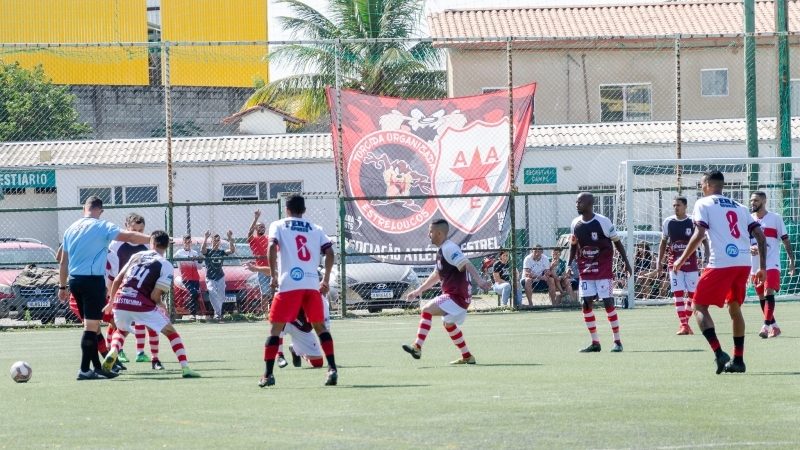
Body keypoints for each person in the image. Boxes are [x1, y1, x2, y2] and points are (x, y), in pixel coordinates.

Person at [673, 170, 766, 374]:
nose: (700, 187)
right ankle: (739, 360)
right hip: (743, 263)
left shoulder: (703, 203)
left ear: (707, 184)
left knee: (698, 307)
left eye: (701, 183)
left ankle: (719, 353)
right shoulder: (740, 207)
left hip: (721, 262)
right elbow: (760, 234)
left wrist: (681, 258)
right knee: (734, 309)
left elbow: (699, 233)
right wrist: (763, 268)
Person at [57, 196, 151, 380]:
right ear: (100, 210)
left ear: (85, 208)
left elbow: (62, 261)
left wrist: (62, 286)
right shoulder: (102, 226)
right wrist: (154, 238)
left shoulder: (71, 228)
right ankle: (85, 370)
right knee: (91, 328)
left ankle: (98, 368)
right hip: (92, 281)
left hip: (74, 281)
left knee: (92, 327)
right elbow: (131, 236)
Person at [259, 194, 338, 388]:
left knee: (275, 330)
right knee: (320, 328)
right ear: (304, 210)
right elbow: (330, 252)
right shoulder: (315, 228)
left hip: (289, 284)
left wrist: (273, 276)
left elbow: (271, 246)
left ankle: (268, 375)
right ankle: (333, 369)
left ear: (287, 209)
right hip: (311, 284)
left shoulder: (278, 225)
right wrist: (325, 279)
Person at [101, 230, 200, 379]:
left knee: (121, 331)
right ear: (166, 246)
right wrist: (161, 305)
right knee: (171, 332)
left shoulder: (136, 256)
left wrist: (111, 303)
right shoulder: (165, 265)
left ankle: (114, 350)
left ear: (151, 243)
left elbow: (117, 280)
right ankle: (185, 368)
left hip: (120, 300)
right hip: (140, 303)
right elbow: (154, 295)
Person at [402, 219, 492, 365]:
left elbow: (466, 263)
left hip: (456, 296)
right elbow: (437, 275)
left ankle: (417, 347)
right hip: (456, 297)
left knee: (426, 309)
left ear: (438, 233)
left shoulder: (450, 248)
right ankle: (467, 356)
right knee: (449, 325)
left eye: (430, 231)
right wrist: (418, 291)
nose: (428, 234)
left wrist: (480, 281)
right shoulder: (442, 250)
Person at [568, 192, 632, 353]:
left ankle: (617, 341)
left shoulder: (603, 222)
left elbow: (617, 243)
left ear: (590, 204)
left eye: (580, 201)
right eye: (576, 201)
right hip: (585, 269)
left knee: (608, 302)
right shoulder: (575, 223)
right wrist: (569, 264)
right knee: (585, 304)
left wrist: (626, 262)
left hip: (603, 268)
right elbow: (574, 245)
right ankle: (595, 342)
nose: (577, 204)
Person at [106, 213, 161, 368]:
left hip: (139, 290)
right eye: (134, 230)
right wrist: (111, 290)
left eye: (141, 230)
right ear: (127, 228)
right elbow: (111, 269)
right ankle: (117, 351)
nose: (138, 233)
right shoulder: (116, 245)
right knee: (116, 322)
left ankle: (140, 352)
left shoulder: (146, 247)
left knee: (141, 320)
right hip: (119, 288)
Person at [657, 196, 710, 335]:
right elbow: (663, 243)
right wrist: (659, 263)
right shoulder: (668, 222)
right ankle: (683, 324)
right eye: (674, 205)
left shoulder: (693, 221)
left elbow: (704, 240)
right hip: (674, 264)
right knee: (678, 294)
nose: (676, 207)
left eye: (678, 205)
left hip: (691, 264)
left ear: (685, 206)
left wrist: (706, 257)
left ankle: (685, 323)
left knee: (693, 296)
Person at [749, 191, 796, 339]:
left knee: (768, 293)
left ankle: (766, 326)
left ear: (764, 201)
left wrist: (791, 260)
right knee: (761, 298)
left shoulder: (775, 218)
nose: (752, 203)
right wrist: (750, 248)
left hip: (772, 263)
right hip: (755, 264)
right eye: (751, 200)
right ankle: (774, 327)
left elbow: (786, 240)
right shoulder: (749, 219)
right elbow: (744, 240)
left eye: (756, 200)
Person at [201, 229, 235, 321]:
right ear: (211, 241)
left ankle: (218, 313)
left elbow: (232, 250)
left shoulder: (221, 252)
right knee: (212, 293)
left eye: (218, 240)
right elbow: (202, 250)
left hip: (220, 276)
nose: (216, 242)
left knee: (221, 295)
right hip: (210, 277)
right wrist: (205, 238)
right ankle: (218, 314)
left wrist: (230, 238)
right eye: (215, 240)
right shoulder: (208, 251)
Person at [247, 209, 272, 315]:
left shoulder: (270, 238)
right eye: (259, 226)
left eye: (263, 226)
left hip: (272, 268)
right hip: (261, 269)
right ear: (256, 228)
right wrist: (256, 218)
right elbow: (249, 233)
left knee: (275, 292)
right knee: (265, 293)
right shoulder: (254, 240)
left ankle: (275, 312)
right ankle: (266, 314)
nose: (261, 228)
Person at [173, 234, 203, 318]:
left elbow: (199, 267)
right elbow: (174, 257)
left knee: (195, 294)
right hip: (186, 278)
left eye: (189, 241)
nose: (187, 243)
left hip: (195, 278)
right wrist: (190, 257)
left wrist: (200, 261)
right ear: (183, 242)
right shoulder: (179, 252)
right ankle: (192, 312)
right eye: (186, 241)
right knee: (193, 293)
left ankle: (193, 313)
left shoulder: (195, 252)